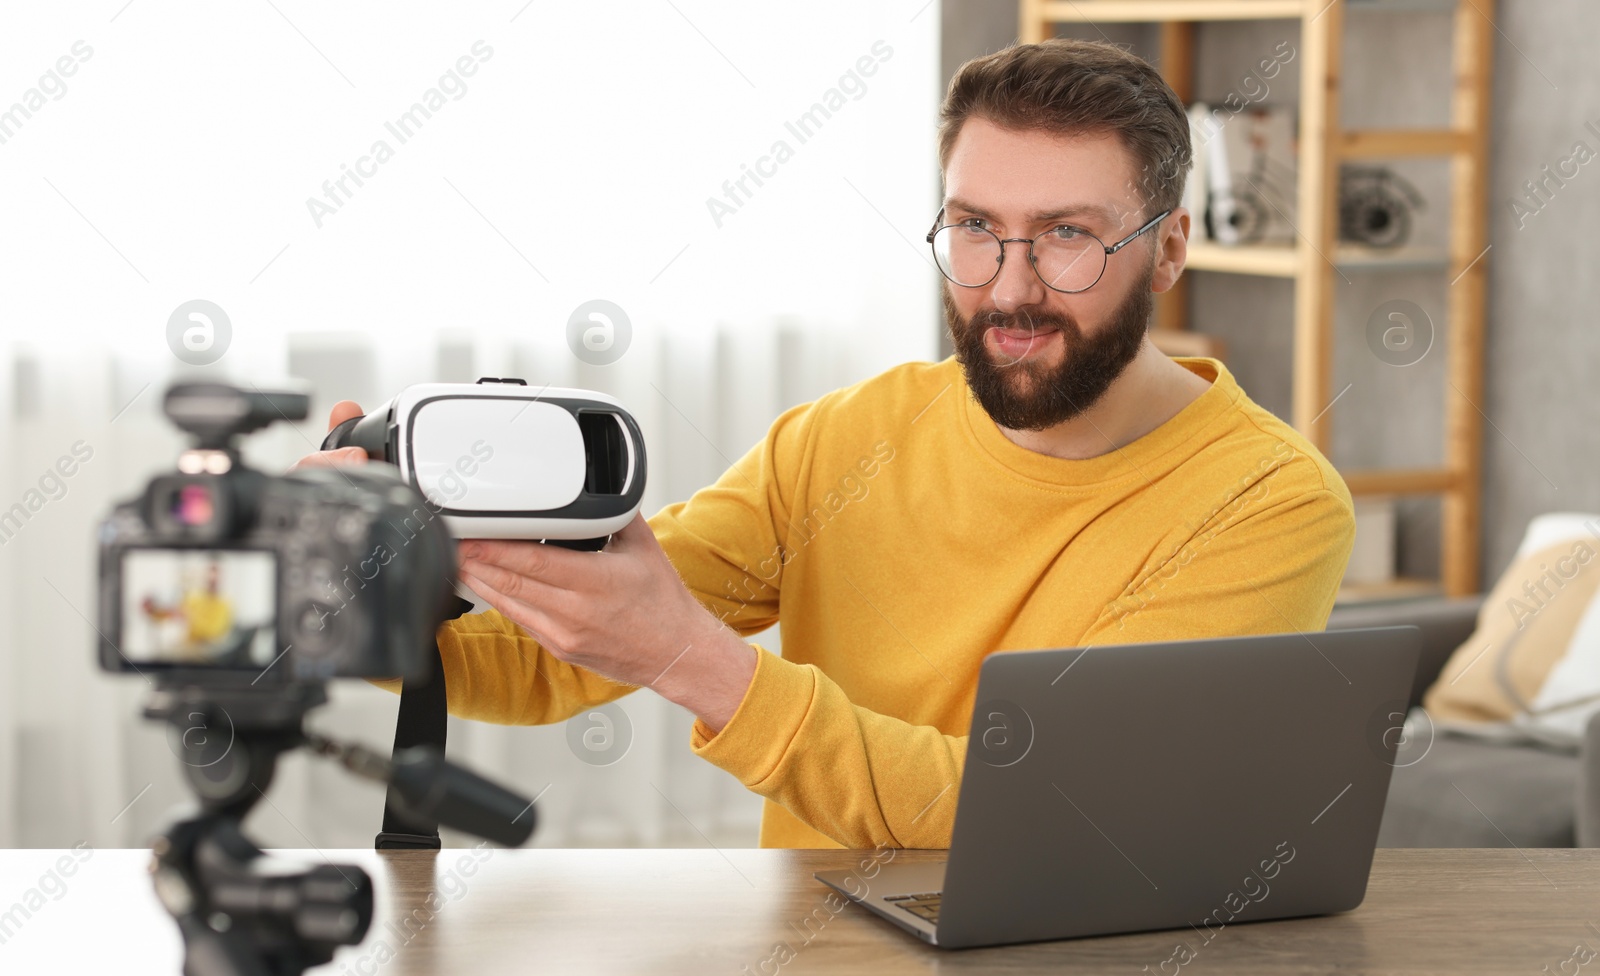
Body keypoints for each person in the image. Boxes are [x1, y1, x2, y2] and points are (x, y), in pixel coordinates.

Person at [297, 38, 1353, 849]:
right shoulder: (849, 437)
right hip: (821, 974)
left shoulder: (1268, 501)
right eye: (974, 227)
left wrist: (694, 660)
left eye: (1069, 235)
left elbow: (1053, 816)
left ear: (1169, 247)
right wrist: (355, 591)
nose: (1009, 285)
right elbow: (546, 665)